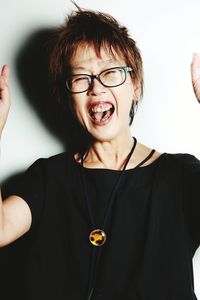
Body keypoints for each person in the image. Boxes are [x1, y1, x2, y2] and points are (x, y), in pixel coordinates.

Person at [0, 7, 200, 300]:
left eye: (111, 72)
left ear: (135, 85)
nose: (96, 88)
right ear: (69, 99)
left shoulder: (181, 175)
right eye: (81, 78)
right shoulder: (48, 178)